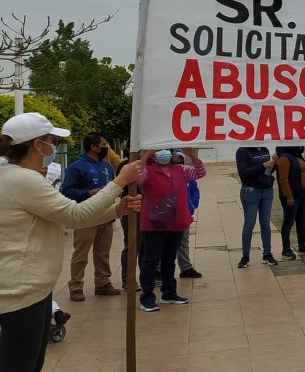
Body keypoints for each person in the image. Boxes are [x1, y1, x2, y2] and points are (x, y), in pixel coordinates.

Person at [0, 112, 143, 372]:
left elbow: (70, 219)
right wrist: (119, 181)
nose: (53, 146)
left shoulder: (19, 177)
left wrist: (116, 210)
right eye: (51, 141)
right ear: (37, 144)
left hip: (33, 287)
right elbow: (75, 212)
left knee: (29, 371)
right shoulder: (20, 180)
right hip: (19, 289)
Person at [137, 148, 206, 311]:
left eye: (166, 150)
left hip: (175, 222)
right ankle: (146, 297)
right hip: (154, 224)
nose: (164, 154)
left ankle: (169, 292)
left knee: (169, 259)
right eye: (159, 151)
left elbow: (200, 172)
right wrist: (146, 153)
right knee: (151, 260)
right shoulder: (147, 172)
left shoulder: (180, 170)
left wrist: (191, 154)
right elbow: (135, 175)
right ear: (153, 156)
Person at [59, 133, 121, 302]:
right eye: (103, 145)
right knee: (81, 254)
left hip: (106, 216)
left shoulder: (107, 167)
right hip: (85, 217)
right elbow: (65, 191)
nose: (106, 148)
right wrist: (87, 193)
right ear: (93, 147)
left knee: (103, 253)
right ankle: (76, 286)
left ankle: (103, 283)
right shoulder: (76, 167)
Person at [236, 146, 278, 268]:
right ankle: (245, 256)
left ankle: (267, 254)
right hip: (251, 191)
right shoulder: (242, 151)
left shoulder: (264, 149)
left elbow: (267, 172)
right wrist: (263, 165)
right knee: (249, 223)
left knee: (265, 223)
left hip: (267, 190)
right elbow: (243, 173)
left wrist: (274, 164)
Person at [276, 146, 305, 260]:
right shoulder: (284, 158)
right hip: (292, 195)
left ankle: (302, 246)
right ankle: (286, 249)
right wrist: (289, 196)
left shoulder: (298, 156)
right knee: (289, 221)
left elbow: (302, 172)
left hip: (303, 193)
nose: (301, 146)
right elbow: (283, 179)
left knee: (301, 220)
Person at [173, 151, 202, 279]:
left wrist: (193, 205)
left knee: (184, 242)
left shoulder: (187, 174)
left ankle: (186, 268)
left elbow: (195, 191)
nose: (178, 161)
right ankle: (158, 271)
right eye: (176, 159)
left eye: (181, 159)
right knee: (168, 243)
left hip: (185, 214)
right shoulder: (168, 175)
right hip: (170, 215)